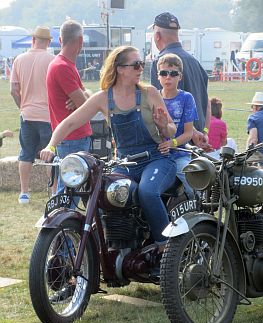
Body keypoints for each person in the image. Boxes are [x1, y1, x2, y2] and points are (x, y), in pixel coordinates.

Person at [40, 45, 177, 252]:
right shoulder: (103, 98)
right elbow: (68, 123)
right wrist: (51, 145)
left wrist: (162, 125)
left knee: (147, 192)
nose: (141, 68)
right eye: (136, 64)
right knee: (104, 195)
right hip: (125, 162)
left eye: (142, 64)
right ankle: (114, 247)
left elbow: (171, 130)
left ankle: (164, 248)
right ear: (121, 69)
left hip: (156, 158)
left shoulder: (149, 93)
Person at [149, 12, 211, 150]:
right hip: (198, 141)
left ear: (157, 36)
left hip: (177, 144)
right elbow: (207, 102)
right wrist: (204, 132)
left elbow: (159, 106)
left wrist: (193, 134)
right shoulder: (194, 61)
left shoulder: (160, 65)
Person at [46, 20, 92, 196]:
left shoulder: (62, 64)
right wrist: (83, 96)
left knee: (69, 188)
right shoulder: (63, 67)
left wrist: (82, 94)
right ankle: (59, 223)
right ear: (80, 41)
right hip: (73, 135)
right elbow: (87, 105)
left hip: (69, 135)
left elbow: (84, 99)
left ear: (60, 39)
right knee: (70, 191)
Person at [10, 26, 54, 204]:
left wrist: (23, 107)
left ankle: (24, 193)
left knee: (26, 154)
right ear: (49, 42)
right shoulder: (52, 60)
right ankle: (52, 192)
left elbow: (14, 90)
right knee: (50, 155)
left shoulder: (19, 59)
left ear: (33, 40)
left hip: (27, 115)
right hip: (48, 115)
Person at [156, 53, 197, 198]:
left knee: (192, 183)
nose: (168, 77)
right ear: (158, 76)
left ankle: (197, 210)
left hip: (180, 153)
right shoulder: (153, 97)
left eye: (173, 73)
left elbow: (188, 133)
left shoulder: (186, 98)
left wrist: (172, 144)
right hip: (155, 155)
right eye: (164, 73)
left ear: (180, 76)